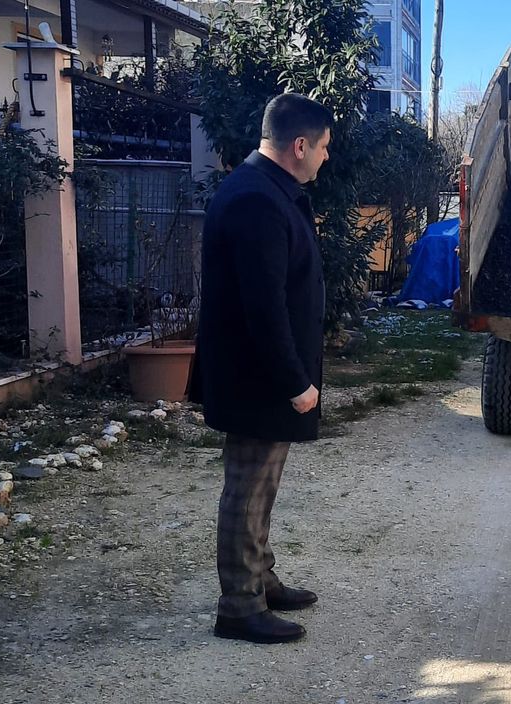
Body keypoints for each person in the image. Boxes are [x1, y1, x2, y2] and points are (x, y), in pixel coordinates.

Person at [190, 92, 332, 644]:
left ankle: (260, 579)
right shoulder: (256, 199)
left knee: (262, 484)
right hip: (258, 378)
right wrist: (294, 381)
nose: (325, 157)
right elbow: (263, 306)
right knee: (247, 489)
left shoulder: (269, 190)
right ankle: (239, 605)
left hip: (260, 374)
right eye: (323, 147)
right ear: (299, 145)